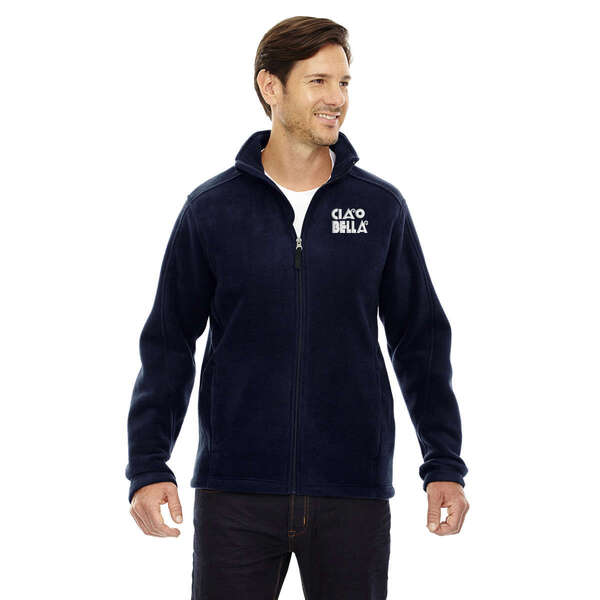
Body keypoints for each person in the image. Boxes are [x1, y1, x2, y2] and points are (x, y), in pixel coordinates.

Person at [125, 15, 469, 600]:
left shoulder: (380, 208)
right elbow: (168, 342)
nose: (337, 98)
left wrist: (443, 463)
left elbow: (421, 341)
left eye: (344, 82)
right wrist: (149, 464)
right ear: (271, 86)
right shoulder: (211, 210)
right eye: (318, 82)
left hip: (352, 494)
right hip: (236, 493)